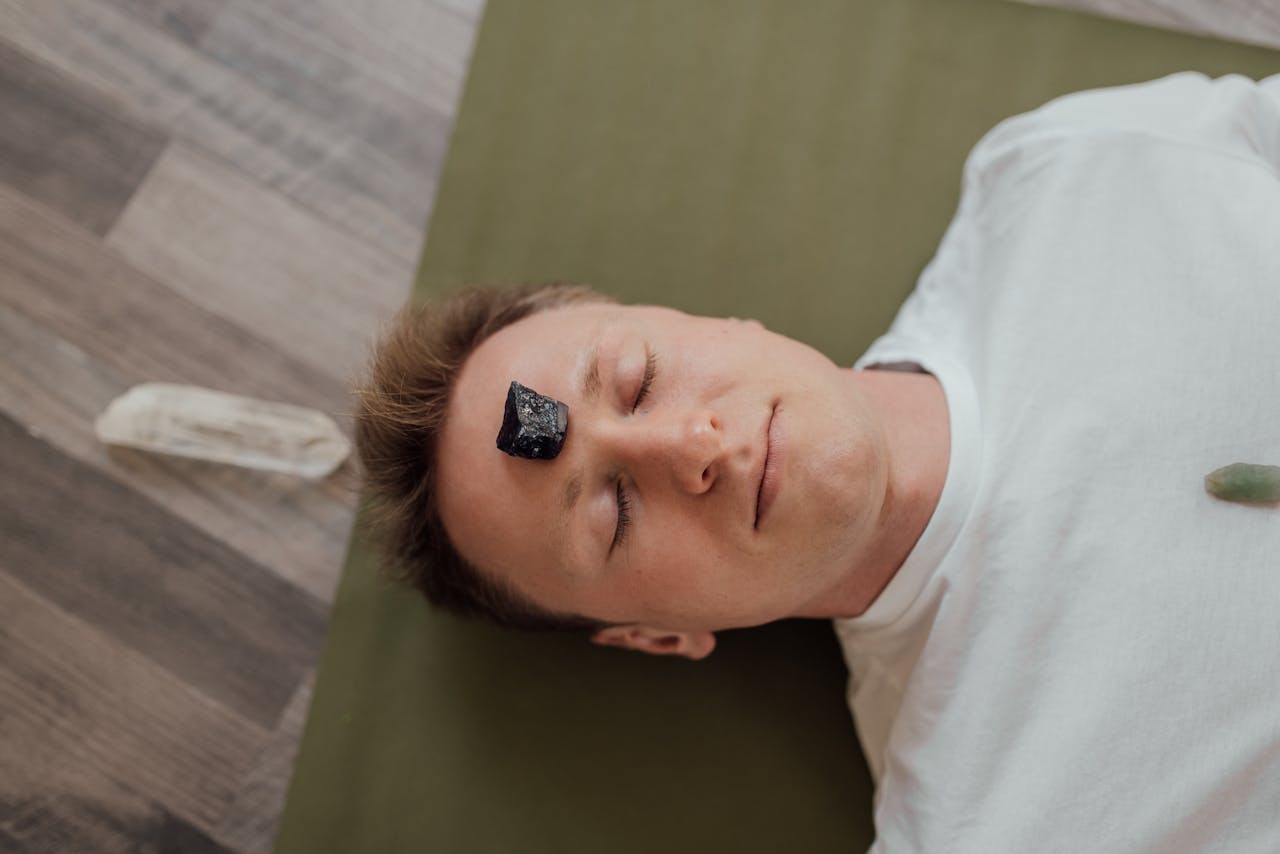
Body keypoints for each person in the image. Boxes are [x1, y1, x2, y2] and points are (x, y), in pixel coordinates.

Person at [356, 72, 1280, 851]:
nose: (690, 447)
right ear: (656, 637)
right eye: (613, 514)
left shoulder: (1071, 170)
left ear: (703, 318)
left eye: (637, 382)